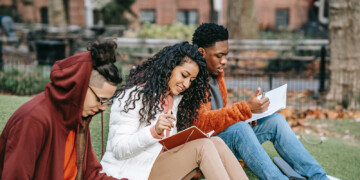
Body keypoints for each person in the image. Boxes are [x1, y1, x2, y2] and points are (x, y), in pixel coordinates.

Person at [192, 23, 328, 180]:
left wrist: (247, 116)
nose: (225, 61)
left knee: (275, 121)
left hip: (221, 138)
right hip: (204, 148)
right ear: (202, 52)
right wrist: (243, 110)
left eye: (226, 55)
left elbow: (218, 114)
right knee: (239, 129)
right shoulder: (191, 78)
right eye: (219, 56)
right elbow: (200, 124)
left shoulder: (216, 76)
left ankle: (319, 177)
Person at [100, 42, 248, 180]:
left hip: (155, 164)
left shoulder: (173, 100)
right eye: (184, 75)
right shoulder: (132, 96)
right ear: (169, 67)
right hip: (131, 172)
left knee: (216, 142)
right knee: (203, 147)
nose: (186, 84)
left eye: (191, 80)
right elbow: (119, 149)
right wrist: (153, 131)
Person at [0, 39, 124, 180]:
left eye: (107, 102)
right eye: (99, 99)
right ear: (80, 87)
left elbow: (90, 174)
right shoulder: (33, 120)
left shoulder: (77, 118)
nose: (102, 107)